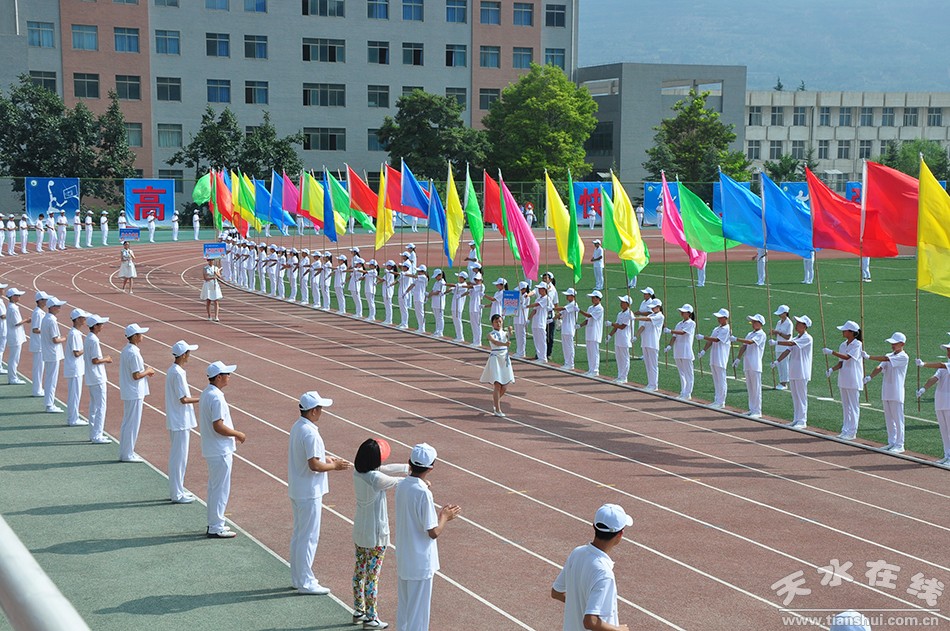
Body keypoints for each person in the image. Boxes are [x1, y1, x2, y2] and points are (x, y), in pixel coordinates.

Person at [289, 390, 352, 594]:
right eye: (320, 408)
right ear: (314, 411)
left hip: (299, 489)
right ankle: (306, 581)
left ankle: (298, 578)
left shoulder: (299, 427)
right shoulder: (311, 432)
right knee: (309, 537)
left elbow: (313, 457)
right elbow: (314, 464)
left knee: (300, 535)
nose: (322, 412)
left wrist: (328, 459)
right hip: (309, 491)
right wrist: (335, 466)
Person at [394, 443, 461, 631]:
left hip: (405, 557)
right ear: (431, 467)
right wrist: (445, 517)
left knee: (405, 611)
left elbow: (412, 485)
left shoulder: (402, 485)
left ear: (410, 463)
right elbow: (433, 532)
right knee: (419, 617)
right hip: (420, 561)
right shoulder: (423, 493)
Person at [353, 438, 409, 630]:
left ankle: (359, 610)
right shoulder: (375, 479)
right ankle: (371, 617)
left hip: (360, 531)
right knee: (372, 576)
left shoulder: (359, 472)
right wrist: (415, 476)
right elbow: (397, 482)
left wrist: (405, 466)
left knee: (360, 572)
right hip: (376, 535)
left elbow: (386, 469)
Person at [551, 503, 633, 631]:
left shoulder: (577, 553)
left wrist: (580, 606)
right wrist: (618, 629)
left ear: (594, 527)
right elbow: (590, 621)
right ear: (620, 534)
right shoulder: (604, 573)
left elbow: (556, 592)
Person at [199, 360, 245, 538]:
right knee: (220, 488)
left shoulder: (207, 393)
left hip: (214, 448)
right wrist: (237, 434)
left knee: (215, 488)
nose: (229, 377)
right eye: (227, 374)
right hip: (219, 449)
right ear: (219, 377)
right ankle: (216, 525)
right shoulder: (216, 397)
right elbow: (218, 425)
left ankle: (215, 523)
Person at [165, 341, 200, 503]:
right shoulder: (178, 373)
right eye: (188, 353)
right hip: (180, 420)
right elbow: (183, 398)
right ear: (183, 355)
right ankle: (177, 493)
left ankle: (178, 490)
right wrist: (203, 398)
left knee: (179, 457)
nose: (189, 355)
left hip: (179, 420)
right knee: (179, 458)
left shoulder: (174, 371)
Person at [865, 332, 909, 453]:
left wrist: (869, 357)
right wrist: (869, 377)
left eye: (895, 343)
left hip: (896, 391)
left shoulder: (903, 357)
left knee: (898, 419)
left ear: (902, 344)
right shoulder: (889, 355)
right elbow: (880, 367)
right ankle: (891, 442)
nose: (892, 345)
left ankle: (900, 444)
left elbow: (886, 359)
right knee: (889, 418)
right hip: (886, 390)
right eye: (892, 343)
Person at [119, 323, 155, 462]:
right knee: (132, 423)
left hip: (131, 391)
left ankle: (126, 452)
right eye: (140, 334)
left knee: (128, 422)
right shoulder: (133, 352)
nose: (142, 336)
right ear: (134, 336)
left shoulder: (127, 350)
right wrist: (148, 371)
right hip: (134, 391)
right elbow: (136, 375)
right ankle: (128, 454)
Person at [824, 320, 865, 440]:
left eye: (845, 330)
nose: (843, 332)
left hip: (853, 379)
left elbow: (847, 357)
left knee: (853, 406)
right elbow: (841, 363)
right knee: (846, 406)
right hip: (843, 378)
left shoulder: (858, 344)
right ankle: (845, 429)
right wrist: (832, 369)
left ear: (852, 332)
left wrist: (831, 352)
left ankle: (852, 432)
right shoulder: (843, 345)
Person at [772, 315, 814, 429]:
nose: (796, 325)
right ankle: (796, 418)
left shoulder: (807, 338)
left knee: (801, 396)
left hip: (802, 371)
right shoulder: (796, 337)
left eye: (799, 323)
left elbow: (790, 344)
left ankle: (802, 420)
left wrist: (777, 343)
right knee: (795, 396)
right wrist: (777, 361)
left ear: (805, 326)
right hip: (793, 370)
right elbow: (787, 351)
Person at [916, 341, 950, 465]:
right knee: (944, 430)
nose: (948, 352)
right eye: (947, 350)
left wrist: (924, 364)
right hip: (940, 401)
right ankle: (947, 455)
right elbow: (934, 378)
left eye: (949, 350)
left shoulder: (945, 365)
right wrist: (923, 389)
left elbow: (941, 365)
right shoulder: (943, 368)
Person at [83, 314, 112, 444]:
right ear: (95, 326)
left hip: (92, 376)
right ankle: (97, 435)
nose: (102, 326)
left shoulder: (89, 338)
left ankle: (93, 433)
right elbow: (95, 360)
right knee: (101, 406)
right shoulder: (93, 340)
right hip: (97, 377)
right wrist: (106, 359)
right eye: (100, 324)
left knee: (94, 406)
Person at [733, 314, 767, 418]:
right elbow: (744, 346)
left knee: (756, 388)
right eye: (752, 322)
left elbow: (750, 342)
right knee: (750, 387)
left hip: (755, 364)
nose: (753, 324)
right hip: (747, 363)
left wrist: (736, 339)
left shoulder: (761, 334)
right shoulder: (750, 333)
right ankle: (751, 408)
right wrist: (738, 358)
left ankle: (757, 411)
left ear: (760, 323)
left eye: (755, 322)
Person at [481, 314, 515, 417]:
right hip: (495, 358)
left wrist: (510, 331)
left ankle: (496, 403)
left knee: (504, 386)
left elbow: (509, 336)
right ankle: (498, 409)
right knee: (497, 384)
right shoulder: (490, 334)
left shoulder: (504, 333)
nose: (498, 324)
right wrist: (505, 344)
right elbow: (495, 342)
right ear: (492, 324)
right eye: (496, 322)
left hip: (504, 359)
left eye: (500, 321)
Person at [698, 308, 732, 408]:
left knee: (721, 380)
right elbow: (711, 341)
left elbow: (717, 340)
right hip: (714, 357)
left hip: (721, 357)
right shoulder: (716, 329)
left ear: (725, 318)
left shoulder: (727, 329)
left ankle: (721, 402)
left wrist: (703, 337)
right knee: (716, 380)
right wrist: (703, 350)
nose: (718, 319)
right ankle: (717, 400)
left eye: (720, 318)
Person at [39, 296, 67, 413]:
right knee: (52, 379)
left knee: (50, 378)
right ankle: (50, 404)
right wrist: (65, 338)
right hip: (53, 353)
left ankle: (49, 403)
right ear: (53, 307)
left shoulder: (46, 318)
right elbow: (55, 339)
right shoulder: (52, 321)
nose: (60, 308)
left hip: (49, 352)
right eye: (58, 306)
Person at [664, 304, 696, 399]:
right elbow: (674, 337)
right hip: (678, 350)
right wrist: (669, 346)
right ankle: (683, 391)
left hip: (686, 351)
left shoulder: (691, 323)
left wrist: (670, 331)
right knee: (681, 372)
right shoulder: (679, 324)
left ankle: (688, 393)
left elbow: (683, 333)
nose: (681, 313)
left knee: (688, 373)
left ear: (689, 313)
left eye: (684, 312)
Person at [63, 309, 89, 427]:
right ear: (77, 319)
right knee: (74, 395)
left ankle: (74, 417)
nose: (85, 320)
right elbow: (76, 353)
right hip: (74, 369)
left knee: (75, 394)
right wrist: (87, 349)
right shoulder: (74, 334)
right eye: (83, 318)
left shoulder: (76, 333)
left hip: (76, 368)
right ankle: (73, 419)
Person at [633, 299, 664, 390]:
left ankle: (654, 385)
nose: (652, 309)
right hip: (645, 342)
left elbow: (648, 319)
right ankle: (650, 383)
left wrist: (636, 318)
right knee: (647, 364)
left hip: (653, 343)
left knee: (653, 364)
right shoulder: (651, 314)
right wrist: (636, 336)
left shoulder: (660, 316)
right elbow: (643, 326)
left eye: (654, 307)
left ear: (658, 307)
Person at [607, 296, 633, 384]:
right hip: (618, 338)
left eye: (623, 302)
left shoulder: (629, 314)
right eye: (621, 302)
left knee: (625, 358)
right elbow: (617, 325)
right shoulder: (620, 313)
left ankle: (624, 377)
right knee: (619, 358)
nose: (621, 304)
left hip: (625, 338)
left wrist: (611, 324)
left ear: (628, 304)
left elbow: (622, 326)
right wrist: (610, 335)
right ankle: (619, 375)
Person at [579, 291, 604, 377]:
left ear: (598, 299)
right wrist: (579, 325)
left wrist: (579, 310)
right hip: (589, 331)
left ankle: (595, 370)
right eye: (592, 298)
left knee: (594, 352)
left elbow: (590, 316)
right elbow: (587, 320)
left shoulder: (600, 308)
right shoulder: (590, 307)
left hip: (595, 332)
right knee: (589, 351)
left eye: (594, 298)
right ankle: (590, 369)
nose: (592, 299)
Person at [5, 288, 27, 385]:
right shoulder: (13, 308)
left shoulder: (12, 307)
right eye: (17, 295)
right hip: (15, 336)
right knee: (14, 358)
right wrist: (26, 320)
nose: (19, 297)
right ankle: (13, 378)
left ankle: (12, 377)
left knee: (14, 358)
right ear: (13, 297)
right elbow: (16, 323)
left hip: (15, 335)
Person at [554, 288, 580, 370]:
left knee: (569, 346)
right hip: (565, 328)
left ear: (572, 296)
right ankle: (567, 362)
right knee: (565, 347)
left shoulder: (574, 304)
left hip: (570, 328)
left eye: (568, 295)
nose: (566, 297)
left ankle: (571, 364)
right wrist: (552, 319)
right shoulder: (568, 304)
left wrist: (552, 308)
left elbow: (562, 309)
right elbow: (560, 314)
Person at [29, 291, 49, 397]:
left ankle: (39, 388)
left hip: (41, 344)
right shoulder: (37, 313)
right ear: (40, 301)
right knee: (38, 368)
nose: (46, 301)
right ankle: (37, 390)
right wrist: (46, 332)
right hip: (38, 344)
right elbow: (35, 329)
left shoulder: (40, 312)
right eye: (44, 299)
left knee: (40, 368)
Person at [528, 283, 552, 363]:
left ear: (544, 289)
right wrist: (528, 319)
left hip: (541, 322)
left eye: (540, 289)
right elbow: (534, 310)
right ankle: (539, 356)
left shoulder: (546, 298)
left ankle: (543, 357)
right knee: (536, 340)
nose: (538, 290)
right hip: (535, 321)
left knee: (542, 340)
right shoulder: (538, 298)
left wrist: (527, 306)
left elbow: (537, 305)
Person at [771, 305, 793, 390]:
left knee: (784, 364)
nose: (779, 315)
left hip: (785, 346)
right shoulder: (779, 322)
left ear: (785, 313)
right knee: (779, 364)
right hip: (778, 346)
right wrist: (773, 332)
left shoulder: (789, 323)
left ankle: (784, 383)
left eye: (781, 314)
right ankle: (781, 381)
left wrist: (779, 333)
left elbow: (788, 337)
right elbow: (777, 332)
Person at [447, 272, 468, 342]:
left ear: (463, 278)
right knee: (455, 321)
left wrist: (445, 284)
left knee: (458, 321)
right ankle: (458, 335)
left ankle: (460, 337)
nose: (458, 278)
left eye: (459, 277)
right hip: (454, 305)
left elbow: (454, 286)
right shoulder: (458, 285)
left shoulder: (464, 285)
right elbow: (451, 289)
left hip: (458, 306)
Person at [542, 272, 559, 361]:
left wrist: (557, 315)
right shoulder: (540, 288)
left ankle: (548, 353)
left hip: (550, 315)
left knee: (550, 336)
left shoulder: (553, 290)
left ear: (550, 280)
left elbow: (556, 303)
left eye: (546, 278)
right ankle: (540, 352)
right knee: (541, 335)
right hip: (541, 315)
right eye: (543, 278)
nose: (544, 279)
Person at [466, 273, 486, 347]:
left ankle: (478, 341)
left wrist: (463, 285)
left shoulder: (481, 286)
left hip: (477, 307)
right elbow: (469, 292)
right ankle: (475, 340)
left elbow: (471, 286)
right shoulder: (474, 287)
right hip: (472, 307)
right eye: (475, 280)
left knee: (477, 324)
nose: (477, 281)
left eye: (478, 280)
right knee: (473, 324)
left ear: (481, 280)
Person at [512, 281, 530, 358]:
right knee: (517, 334)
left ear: (524, 289)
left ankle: (522, 352)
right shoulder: (519, 295)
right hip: (517, 316)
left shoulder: (526, 296)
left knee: (522, 335)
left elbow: (524, 305)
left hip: (522, 318)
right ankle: (518, 351)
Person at [411, 266, 429, 333]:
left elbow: (414, 276)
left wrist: (405, 274)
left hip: (420, 297)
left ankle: (422, 328)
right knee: (417, 313)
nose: (418, 272)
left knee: (420, 313)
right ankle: (420, 327)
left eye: (419, 271)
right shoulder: (419, 278)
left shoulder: (424, 277)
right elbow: (413, 285)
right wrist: (406, 292)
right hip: (416, 296)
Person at [428, 269, 446, 336]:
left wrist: (430, 294)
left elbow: (438, 292)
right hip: (435, 302)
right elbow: (433, 290)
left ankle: (440, 331)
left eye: (436, 276)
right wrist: (428, 296)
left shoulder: (442, 282)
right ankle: (437, 330)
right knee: (436, 317)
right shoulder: (436, 282)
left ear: (440, 275)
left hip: (440, 302)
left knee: (440, 317)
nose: (435, 277)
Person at [380, 261, 396, 325]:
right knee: (386, 306)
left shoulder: (389, 273)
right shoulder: (388, 273)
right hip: (385, 290)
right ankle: (387, 319)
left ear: (390, 266)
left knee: (388, 306)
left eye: (387, 266)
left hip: (388, 291)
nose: (386, 267)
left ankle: (389, 320)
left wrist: (375, 276)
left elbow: (383, 280)